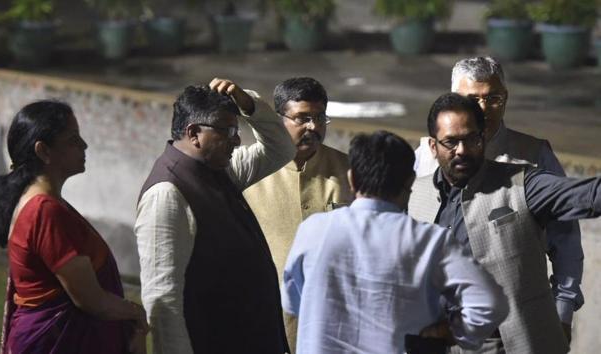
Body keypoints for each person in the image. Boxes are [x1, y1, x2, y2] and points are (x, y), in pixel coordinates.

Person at [282, 130, 508, 354]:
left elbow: (292, 303)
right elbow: (489, 303)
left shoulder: (312, 230)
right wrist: (450, 332)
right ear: (410, 180)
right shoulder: (430, 241)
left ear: (351, 178)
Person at [408, 93, 601, 354]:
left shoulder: (522, 184)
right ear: (433, 146)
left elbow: (589, 195)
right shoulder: (414, 194)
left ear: (483, 138)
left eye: (471, 139)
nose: (462, 151)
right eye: (451, 142)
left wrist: (564, 308)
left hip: (509, 344)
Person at [135, 78, 295, 354]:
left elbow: (282, 149)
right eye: (228, 130)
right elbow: (163, 301)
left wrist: (249, 105)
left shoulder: (222, 170)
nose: (236, 139)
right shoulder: (167, 194)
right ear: (194, 133)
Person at [0, 100, 148, 354]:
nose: (84, 145)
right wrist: (138, 315)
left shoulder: (41, 202)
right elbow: (92, 301)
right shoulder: (44, 211)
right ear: (44, 151)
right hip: (54, 342)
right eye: (73, 140)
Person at [243, 77, 352, 352]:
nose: (313, 127)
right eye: (302, 118)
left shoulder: (349, 172)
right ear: (278, 120)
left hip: (335, 324)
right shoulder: (250, 172)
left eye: (319, 118)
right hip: (266, 319)